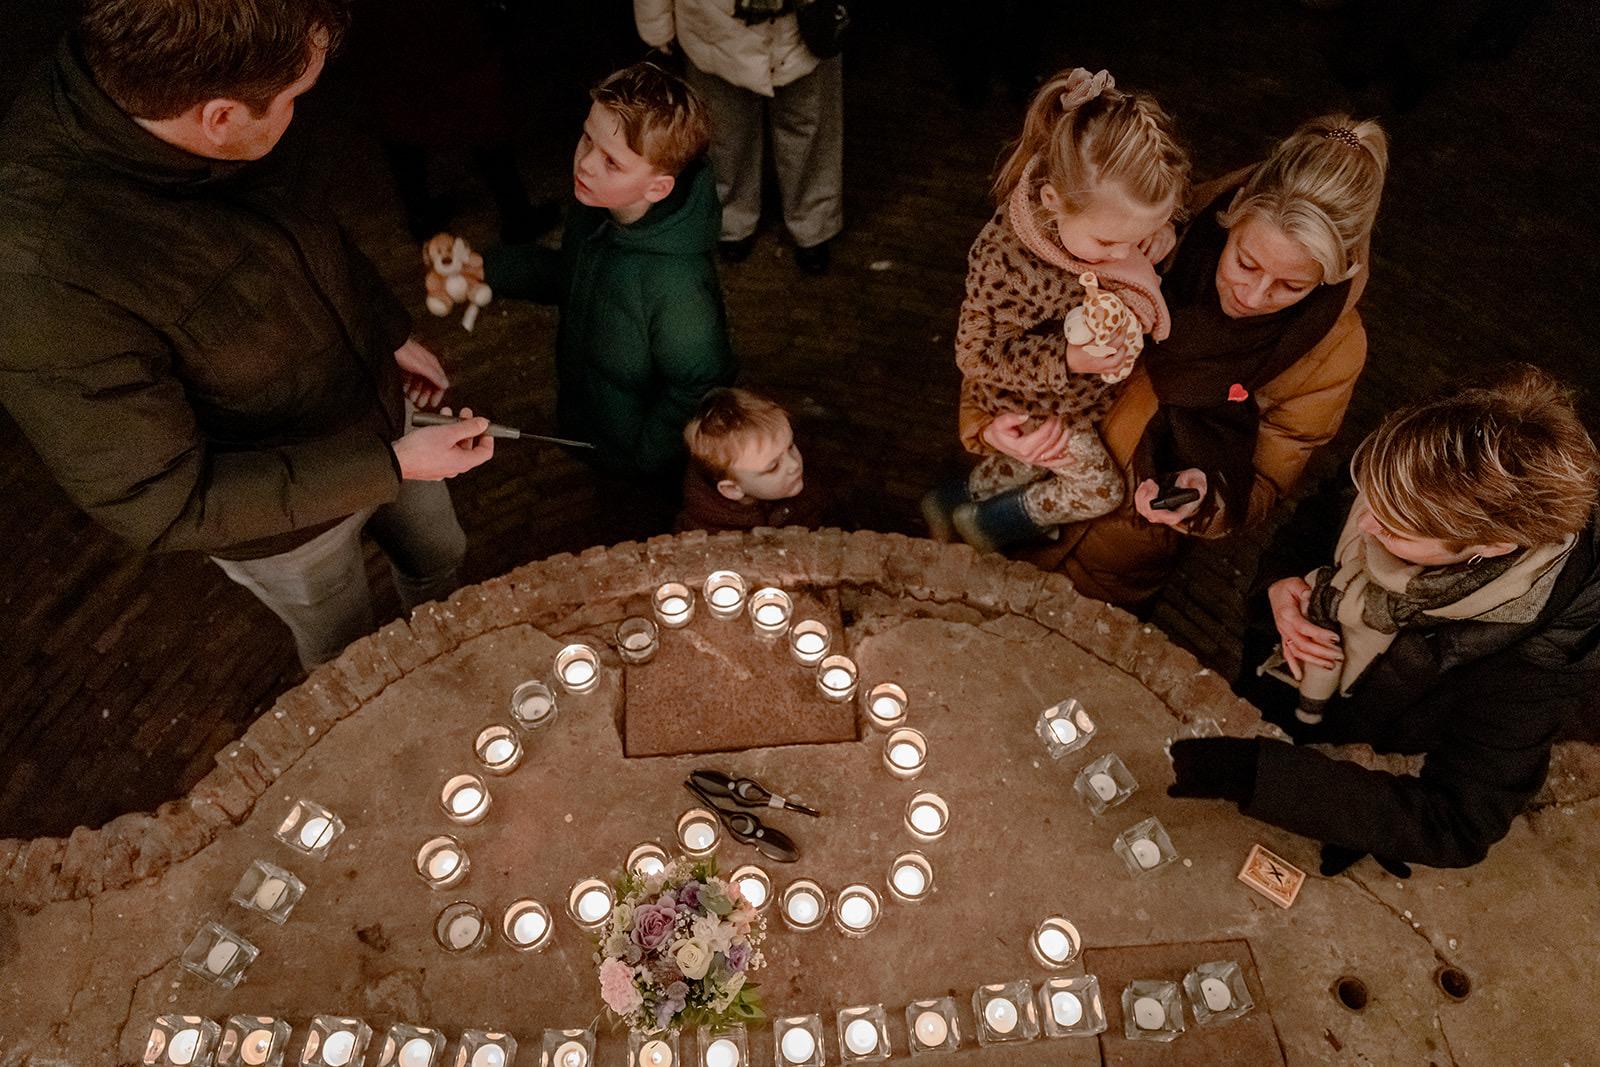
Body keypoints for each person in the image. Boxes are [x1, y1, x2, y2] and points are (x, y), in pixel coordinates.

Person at [0, 0, 494, 671]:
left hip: (386, 422)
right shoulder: (43, 275)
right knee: (344, 651)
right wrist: (394, 465)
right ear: (220, 118)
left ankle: (451, 663)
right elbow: (164, 501)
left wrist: (385, 331)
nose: (300, 115)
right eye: (296, 97)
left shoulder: (171, 97)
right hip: (285, 529)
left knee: (440, 558)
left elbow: (308, 231)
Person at [1168, 368, 1600, 874]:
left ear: (1489, 549)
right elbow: (1318, 520)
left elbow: (1458, 822)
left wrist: (1277, 783)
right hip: (1285, 677)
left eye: (1394, 528)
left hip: (1376, 735)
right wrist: (1278, 584)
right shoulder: (1411, 461)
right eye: (1367, 493)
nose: (1366, 521)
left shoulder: (1543, 648)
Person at [967, 114, 1388, 607]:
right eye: (1245, 263)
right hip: (1018, 465)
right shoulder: (1152, 230)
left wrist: (1204, 502)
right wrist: (985, 421)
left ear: (1336, 275)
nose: (1252, 296)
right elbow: (1004, 326)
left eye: (1291, 287)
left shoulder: (1334, 352)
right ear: (1232, 217)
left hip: (1115, 559)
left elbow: (1268, 479)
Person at [926, 68, 1189, 553]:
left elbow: (1138, 230)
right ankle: (986, 527)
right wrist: (1069, 359)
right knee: (1100, 489)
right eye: (1109, 241)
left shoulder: (1106, 217)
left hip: (1073, 400)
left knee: (1023, 463)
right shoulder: (1006, 262)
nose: (1122, 255)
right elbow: (976, 354)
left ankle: (946, 505)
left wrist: (1160, 236)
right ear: (1052, 201)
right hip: (1032, 401)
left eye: (1136, 239)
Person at [484, 62, 735, 486]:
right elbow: (578, 279)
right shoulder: (597, 207)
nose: (585, 164)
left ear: (657, 188)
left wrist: (641, 456)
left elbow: (698, 387)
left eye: (612, 162)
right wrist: (487, 269)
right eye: (587, 138)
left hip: (638, 461)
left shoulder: (678, 287)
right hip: (595, 429)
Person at [633, 0, 844, 274]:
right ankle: (731, 219)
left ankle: (814, 223)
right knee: (725, 133)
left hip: (806, 26)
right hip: (712, 28)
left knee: (810, 125)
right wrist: (657, 27)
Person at [676, 388, 824, 533]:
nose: (794, 465)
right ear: (732, 489)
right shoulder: (704, 533)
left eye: (790, 446)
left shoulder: (810, 490)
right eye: (773, 467)